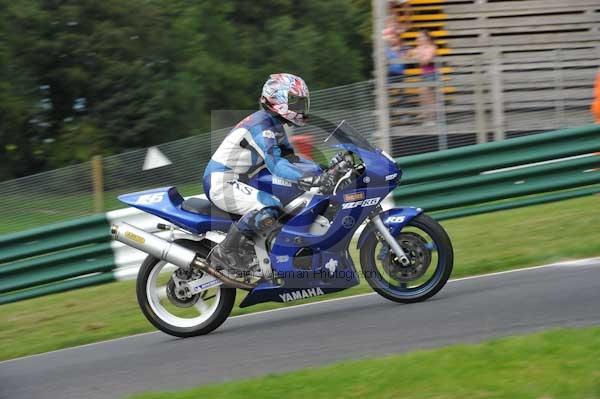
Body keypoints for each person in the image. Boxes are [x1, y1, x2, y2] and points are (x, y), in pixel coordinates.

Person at [203, 73, 333, 273]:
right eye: (295, 102)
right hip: (222, 181)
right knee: (269, 205)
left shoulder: (274, 125)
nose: (300, 108)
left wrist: (324, 170)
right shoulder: (261, 126)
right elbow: (276, 165)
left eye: (301, 103)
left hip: (241, 179)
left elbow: (292, 159)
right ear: (277, 100)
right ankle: (226, 252)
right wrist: (311, 179)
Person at [410, 30, 438, 126]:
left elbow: (425, 62)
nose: (419, 39)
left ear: (427, 38)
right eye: (419, 37)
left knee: (427, 94)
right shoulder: (419, 48)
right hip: (424, 74)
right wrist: (418, 55)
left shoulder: (432, 47)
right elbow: (410, 55)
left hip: (432, 74)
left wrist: (419, 56)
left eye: (421, 37)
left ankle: (431, 118)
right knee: (424, 94)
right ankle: (428, 118)